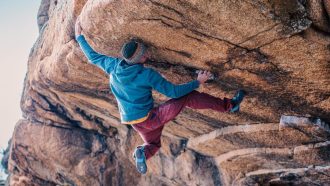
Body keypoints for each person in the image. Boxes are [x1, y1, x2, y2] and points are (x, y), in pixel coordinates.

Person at [75, 20, 246, 174]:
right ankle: (230, 106)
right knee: (188, 96)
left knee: (154, 145)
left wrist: (79, 37)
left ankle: (141, 152)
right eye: (144, 55)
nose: (147, 55)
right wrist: (198, 81)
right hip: (151, 118)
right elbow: (174, 92)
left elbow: (92, 57)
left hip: (135, 124)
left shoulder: (113, 66)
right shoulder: (146, 74)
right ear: (136, 60)